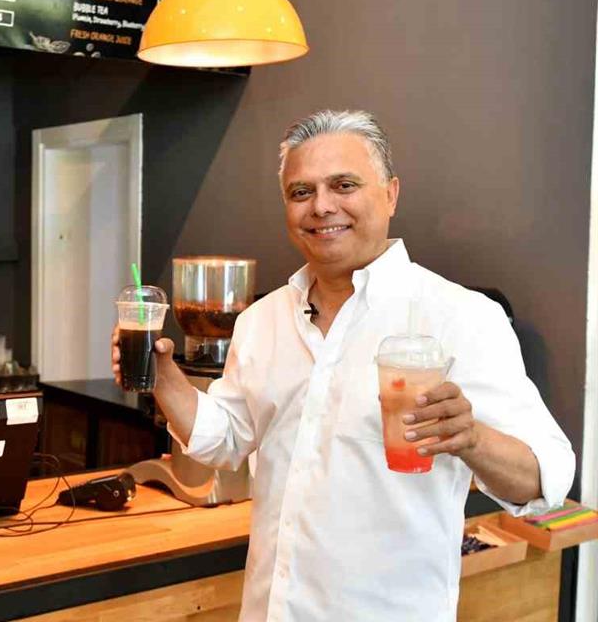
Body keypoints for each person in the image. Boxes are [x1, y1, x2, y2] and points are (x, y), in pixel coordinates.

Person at [113, 110, 574, 620]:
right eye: (301, 192)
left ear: (391, 194)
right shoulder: (262, 320)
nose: (321, 206)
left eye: (344, 185)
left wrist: (471, 438)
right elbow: (225, 438)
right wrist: (164, 379)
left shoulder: (460, 317)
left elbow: (546, 477)